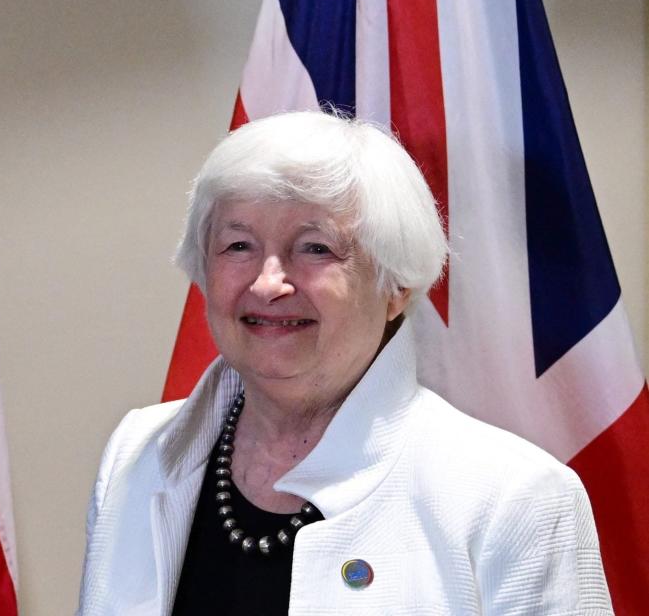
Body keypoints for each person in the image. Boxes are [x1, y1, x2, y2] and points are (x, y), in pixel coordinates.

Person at [77, 111, 611, 614]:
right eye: (238, 245)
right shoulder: (136, 453)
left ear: (396, 285)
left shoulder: (516, 499)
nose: (267, 282)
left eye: (315, 249)